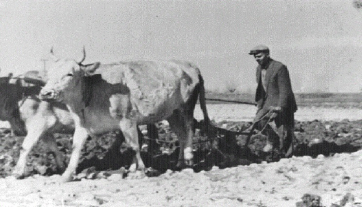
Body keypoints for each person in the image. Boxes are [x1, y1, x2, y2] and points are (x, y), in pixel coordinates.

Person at [249, 45, 297, 158]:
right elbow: (261, 89)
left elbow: (285, 90)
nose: (257, 59)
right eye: (255, 57)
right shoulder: (259, 69)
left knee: (284, 131)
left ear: (267, 54)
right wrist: (260, 105)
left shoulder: (279, 67)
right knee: (258, 121)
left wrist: (281, 106)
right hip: (268, 103)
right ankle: (273, 140)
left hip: (283, 104)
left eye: (259, 56)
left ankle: (287, 155)